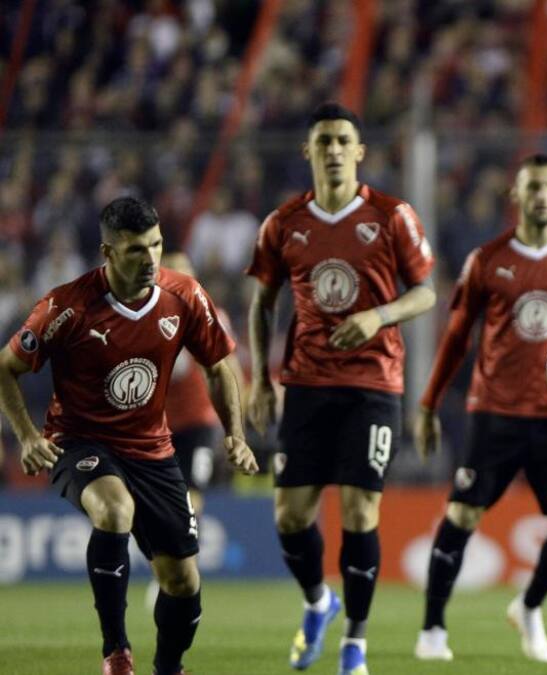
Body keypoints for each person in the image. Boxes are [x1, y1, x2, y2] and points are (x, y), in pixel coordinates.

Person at [0, 196, 258, 675]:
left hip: (152, 449)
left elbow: (219, 367)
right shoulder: (66, 306)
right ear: (108, 252)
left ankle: (168, 667)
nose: (151, 259)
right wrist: (28, 436)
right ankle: (116, 653)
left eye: (156, 245)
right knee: (115, 510)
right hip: (79, 441)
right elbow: (6, 367)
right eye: (137, 249)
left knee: (183, 582)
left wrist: (236, 435)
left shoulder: (184, 295)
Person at [246, 102, 436, 675]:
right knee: (290, 516)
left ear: (359, 152)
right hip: (306, 382)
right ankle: (317, 602)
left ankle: (355, 642)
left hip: (374, 383)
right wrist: (260, 381)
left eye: (342, 140)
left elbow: (426, 292)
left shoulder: (392, 215)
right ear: (308, 150)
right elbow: (263, 303)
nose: (333, 150)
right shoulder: (283, 223)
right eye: (324, 140)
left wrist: (379, 316)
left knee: (359, 510)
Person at [412, 154, 547, 663]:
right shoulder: (486, 260)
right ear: (516, 195)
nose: (541, 195)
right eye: (533, 187)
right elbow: (456, 337)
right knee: (462, 513)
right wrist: (428, 405)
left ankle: (530, 605)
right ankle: (432, 629)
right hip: (495, 410)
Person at [143, 252, 229, 609]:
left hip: (199, 422)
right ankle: (166, 572)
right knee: (158, 503)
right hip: (159, 424)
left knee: (192, 497)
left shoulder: (210, 315)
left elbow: (222, 369)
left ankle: (184, 568)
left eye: (186, 274)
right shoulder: (146, 318)